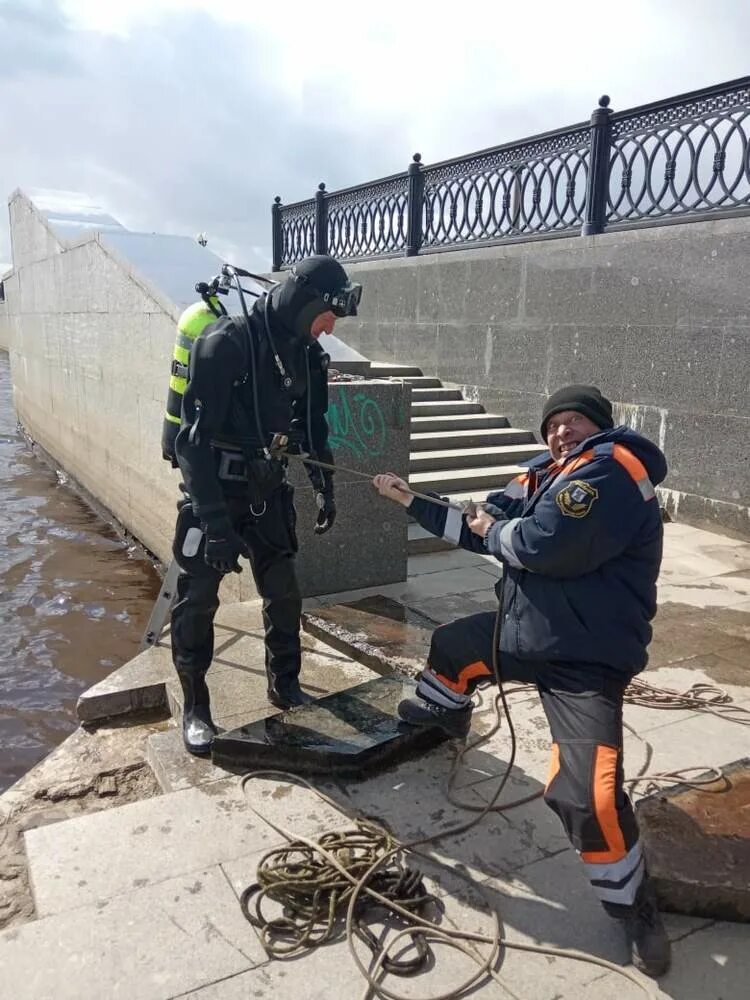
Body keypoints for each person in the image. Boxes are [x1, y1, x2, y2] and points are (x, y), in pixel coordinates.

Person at [373, 384, 671, 978]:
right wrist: (411, 502)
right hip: (526, 631)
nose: (562, 430)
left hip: (583, 657)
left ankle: (634, 908)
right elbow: (480, 522)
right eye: (553, 423)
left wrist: (496, 530)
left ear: (600, 428)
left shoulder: (612, 469)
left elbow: (541, 545)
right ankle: (445, 712)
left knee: (588, 794)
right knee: (453, 647)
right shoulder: (544, 473)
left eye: (576, 421)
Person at [170, 254, 362, 756]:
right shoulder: (226, 343)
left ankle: (284, 682)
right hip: (215, 492)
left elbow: (315, 426)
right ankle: (196, 704)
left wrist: (325, 486)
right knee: (198, 602)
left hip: (268, 491)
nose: (330, 327)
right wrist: (212, 523)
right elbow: (191, 443)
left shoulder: (307, 355)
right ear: (306, 302)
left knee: (284, 594)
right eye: (329, 314)